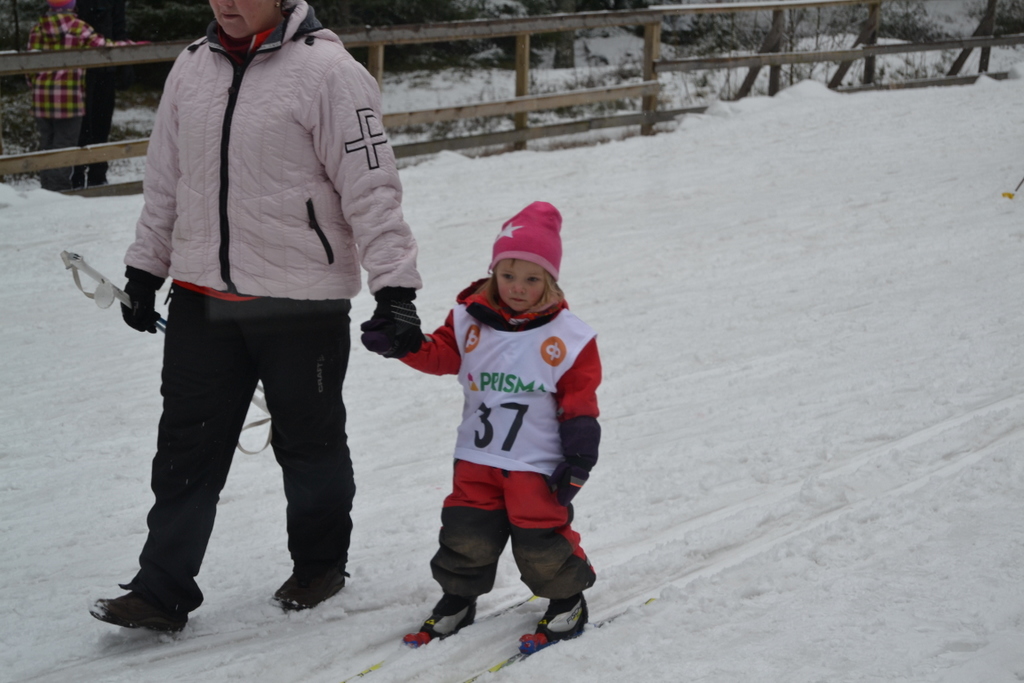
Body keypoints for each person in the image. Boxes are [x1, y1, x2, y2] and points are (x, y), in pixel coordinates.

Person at [89, 0, 423, 633]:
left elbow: (372, 186)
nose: (226, 3)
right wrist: (145, 267)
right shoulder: (192, 66)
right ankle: (161, 589)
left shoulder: (330, 72)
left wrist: (395, 288)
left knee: (308, 443)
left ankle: (319, 565)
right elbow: (166, 180)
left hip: (300, 303)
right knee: (186, 445)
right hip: (201, 296)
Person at [362, 202, 601, 654]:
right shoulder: (468, 319)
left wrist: (579, 457)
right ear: (493, 273)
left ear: (550, 281)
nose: (518, 287)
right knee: (465, 529)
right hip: (476, 456)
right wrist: (402, 344)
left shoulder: (570, 337)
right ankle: (458, 597)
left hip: (535, 462)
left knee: (538, 536)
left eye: (532, 279)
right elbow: (441, 355)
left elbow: (579, 402)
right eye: (508, 275)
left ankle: (567, 600)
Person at [26, 0, 138, 191]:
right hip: (74, 83)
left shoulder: (38, 29)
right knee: (72, 136)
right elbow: (100, 42)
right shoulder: (76, 23)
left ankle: (91, 177)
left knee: (94, 128)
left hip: (99, 72)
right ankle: (69, 182)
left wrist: (124, 63)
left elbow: (119, 25)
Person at [70, 0, 129, 189]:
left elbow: (119, 26)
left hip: (106, 68)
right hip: (77, 71)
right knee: (80, 127)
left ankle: (98, 174)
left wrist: (124, 64)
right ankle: (76, 175)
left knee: (102, 124)